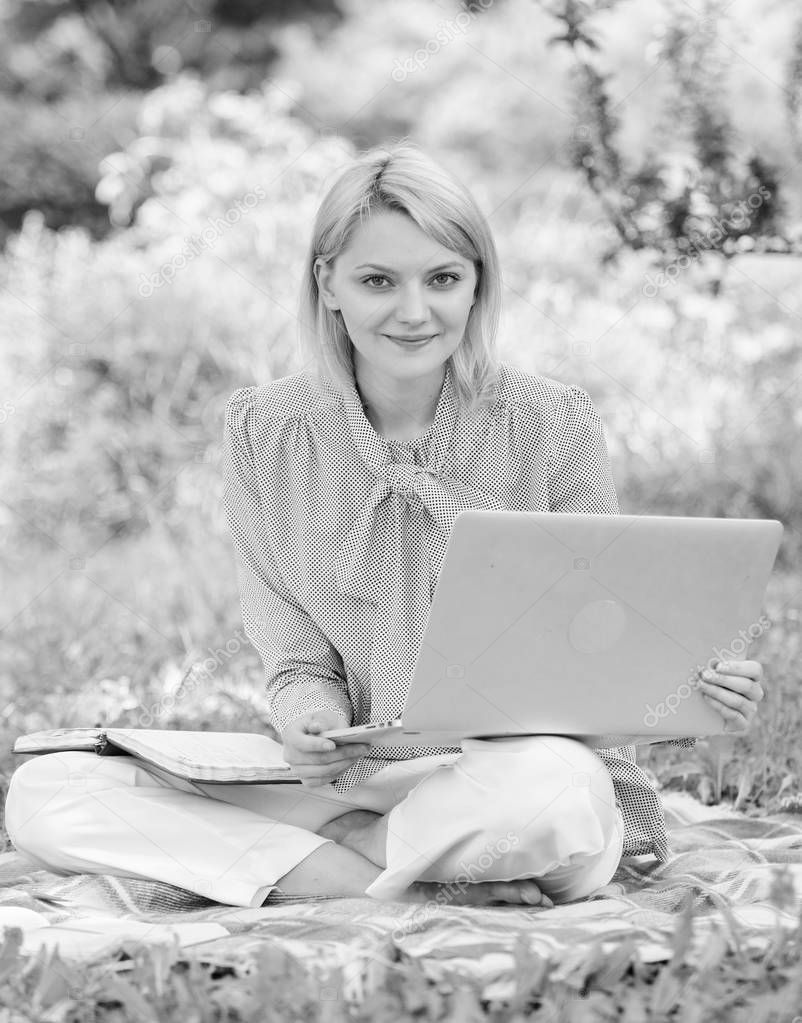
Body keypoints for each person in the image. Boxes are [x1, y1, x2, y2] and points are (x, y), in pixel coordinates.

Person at [4, 143, 766, 911]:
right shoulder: (264, 431)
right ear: (327, 283)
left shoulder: (550, 423)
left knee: (560, 790)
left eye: (442, 279)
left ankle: (331, 868)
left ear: (477, 287)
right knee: (49, 789)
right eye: (377, 280)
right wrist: (310, 722)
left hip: (502, 785)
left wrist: (688, 681)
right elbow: (296, 656)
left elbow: (594, 658)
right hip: (351, 786)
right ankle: (375, 877)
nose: (413, 312)